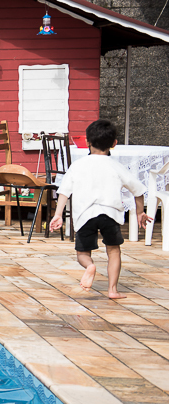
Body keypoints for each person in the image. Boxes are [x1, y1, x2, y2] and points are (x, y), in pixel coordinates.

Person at [50, 119, 150, 299]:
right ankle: (112, 290)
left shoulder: (78, 165)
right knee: (113, 250)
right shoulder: (116, 166)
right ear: (114, 144)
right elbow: (139, 190)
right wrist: (139, 212)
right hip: (110, 214)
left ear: (87, 142)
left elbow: (64, 191)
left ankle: (89, 266)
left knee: (82, 253)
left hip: (84, 215)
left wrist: (58, 214)